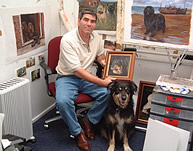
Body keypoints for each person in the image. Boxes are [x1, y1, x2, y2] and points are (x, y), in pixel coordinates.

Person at [55, 8, 115, 151]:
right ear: (79, 21)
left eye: (92, 21)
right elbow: (77, 71)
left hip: (85, 77)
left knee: (108, 93)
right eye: (86, 20)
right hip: (67, 77)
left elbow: (99, 55)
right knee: (62, 101)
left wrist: (103, 62)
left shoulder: (96, 38)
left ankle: (88, 120)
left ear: (95, 24)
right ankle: (78, 132)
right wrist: (102, 82)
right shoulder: (68, 40)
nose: (89, 24)